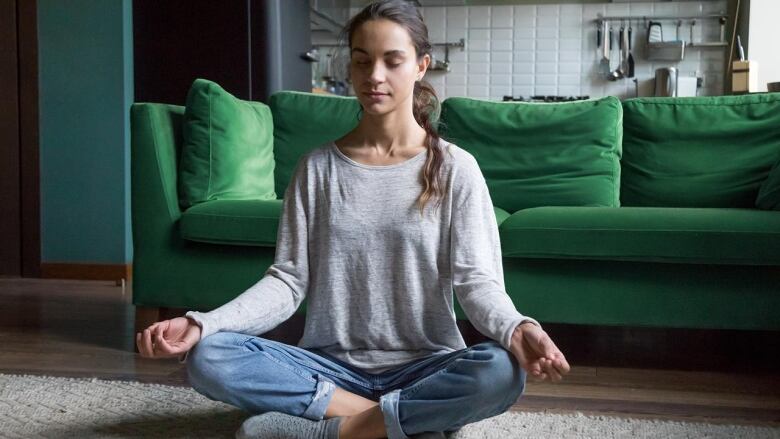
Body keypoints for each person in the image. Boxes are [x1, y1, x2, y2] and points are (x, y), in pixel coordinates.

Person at [136, 1, 570, 438]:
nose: (374, 76)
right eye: (362, 61)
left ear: (421, 66)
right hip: (329, 368)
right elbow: (287, 282)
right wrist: (201, 323)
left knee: (500, 370)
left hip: (427, 365)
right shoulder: (317, 168)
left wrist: (518, 327)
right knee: (210, 356)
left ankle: (335, 430)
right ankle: (398, 423)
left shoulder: (457, 169)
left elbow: (477, 282)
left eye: (392, 61)